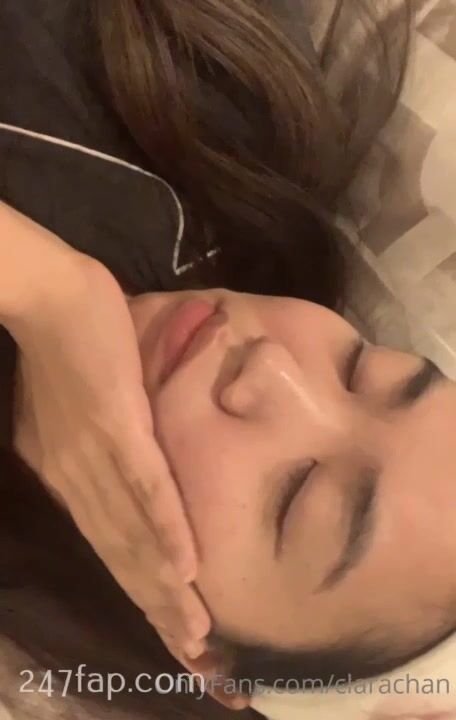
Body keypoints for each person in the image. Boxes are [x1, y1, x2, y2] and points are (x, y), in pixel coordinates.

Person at [0, 0, 413, 717]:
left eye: (299, 498)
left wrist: (44, 294)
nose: (274, 367)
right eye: (361, 370)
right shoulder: (236, 100)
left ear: (198, 653)